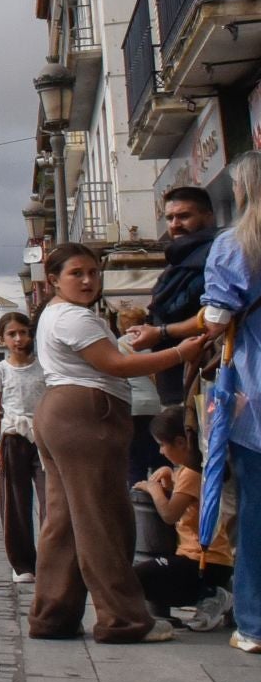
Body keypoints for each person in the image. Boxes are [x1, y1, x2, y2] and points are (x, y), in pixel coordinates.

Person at [29, 242, 205, 644]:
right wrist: (179, 352)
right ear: (54, 279)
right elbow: (115, 365)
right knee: (103, 518)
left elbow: (111, 356)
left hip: (63, 411)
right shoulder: (74, 318)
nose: (89, 280)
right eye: (77, 273)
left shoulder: (58, 315)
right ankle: (122, 620)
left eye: (93, 272)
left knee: (67, 521)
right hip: (86, 413)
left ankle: (52, 615)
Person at [130, 152, 261, 653]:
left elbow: (217, 320)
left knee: (252, 511)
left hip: (250, 397)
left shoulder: (234, 247)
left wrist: (168, 334)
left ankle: (252, 622)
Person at [133, 406, 235, 632]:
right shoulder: (195, 468)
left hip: (202, 563)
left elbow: (170, 514)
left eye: (162, 444)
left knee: (136, 577)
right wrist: (169, 477)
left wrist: (153, 488)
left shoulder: (191, 473)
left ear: (181, 442)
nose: (160, 452)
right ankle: (209, 595)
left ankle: (211, 595)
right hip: (211, 561)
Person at [0, 310, 46, 583]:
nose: (19, 339)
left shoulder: (44, 365)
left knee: (51, 501)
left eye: (23, 332)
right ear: (2, 340)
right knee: (16, 503)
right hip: (13, 437)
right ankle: (23, 563)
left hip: (44, 437)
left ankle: (49, 558)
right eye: (12, 334)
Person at [149, 185, 217, 407]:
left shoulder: (217, 255)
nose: (175, 224)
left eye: (184, 216)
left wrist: (160, 333)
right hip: (177, 380)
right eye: (170, 218)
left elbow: (216, 314)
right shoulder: (179, 260)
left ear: (208, 217)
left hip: (208, 376)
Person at [114, 303, 163, 482]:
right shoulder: (154, 342)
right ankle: (162, 500)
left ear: (121, 326)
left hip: (133, 409)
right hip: (159, 407)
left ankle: (138, 502)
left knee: (135, 462)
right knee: (161, 457)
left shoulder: (117, 347)